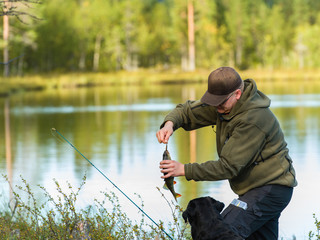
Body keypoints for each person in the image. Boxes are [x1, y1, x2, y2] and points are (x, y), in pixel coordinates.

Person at [156, 67, 297, 239]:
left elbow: (228, 167)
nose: (216, 106)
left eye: (220, 102)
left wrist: (184, 169)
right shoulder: (223, 105)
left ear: (237, 94)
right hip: (252, 190)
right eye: (213, 101)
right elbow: (186, 111)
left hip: (271, 189)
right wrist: (169, 124)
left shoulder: (253, 119)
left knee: (222, 232)